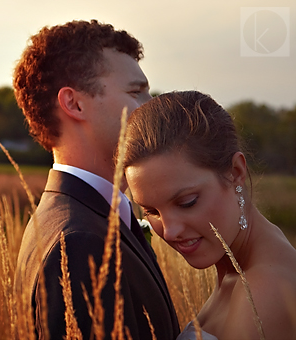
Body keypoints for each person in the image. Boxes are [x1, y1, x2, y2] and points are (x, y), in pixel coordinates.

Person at [12, 20, 180, 339]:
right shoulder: (78, 242)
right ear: (74, 103)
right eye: (136, 91)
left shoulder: (80, 218)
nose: (152, 105)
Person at [124, 90, 296, 340]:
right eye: (151, 211)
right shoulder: (237, 269)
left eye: (187, 203)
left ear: (235, 172)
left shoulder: (267, 293)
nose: (169, 231)